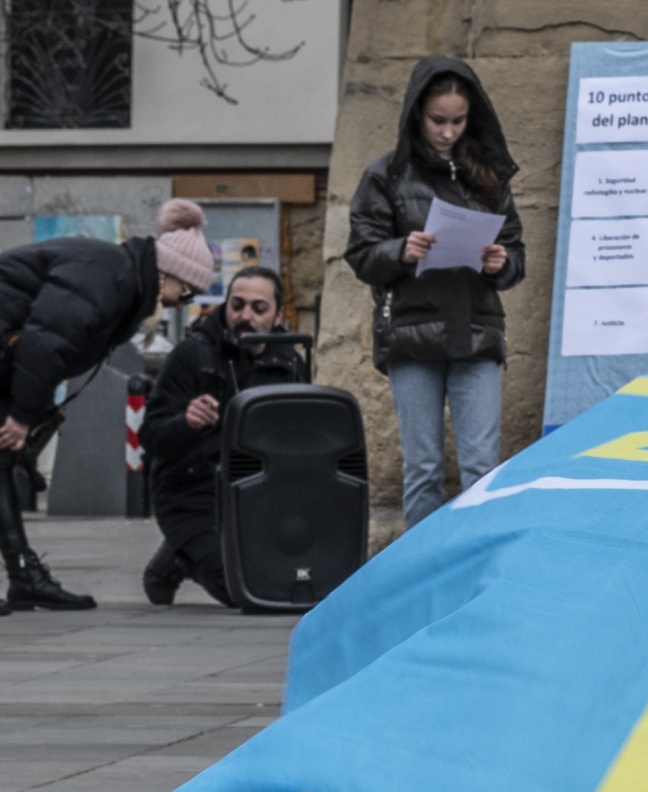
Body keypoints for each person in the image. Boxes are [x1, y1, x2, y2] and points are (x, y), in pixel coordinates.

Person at [0, 198, 214, 611]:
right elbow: (46, 343)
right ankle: (25, 576)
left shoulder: (121, 279)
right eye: (186, 292)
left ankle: (25, 576)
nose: (182, 303)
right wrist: (23, 417)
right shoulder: (107, 274)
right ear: (169, 273)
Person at [346, 57, 525, 531]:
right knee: (423, 468)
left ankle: (475, 561)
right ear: (416, 114)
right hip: (411, 332)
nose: (447, 132)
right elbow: (361, 254)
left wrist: (502, 263)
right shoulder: (385, 175)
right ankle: (422, 567)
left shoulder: (488, 173)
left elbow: (516, 253)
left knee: (482, 468)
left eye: (458, 121)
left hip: (476, 331)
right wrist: (400, 250)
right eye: (437, 120)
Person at [139, 266, 307, 607]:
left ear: (278, 316)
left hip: (259, 498)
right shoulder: (193, 354)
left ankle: (183, 553)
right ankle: (179, 556)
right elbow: (150, 437)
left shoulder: (289, 364)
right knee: (243, 590)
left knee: (292, 579)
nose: (245, 316)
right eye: (237, 305)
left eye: (259, 308)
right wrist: (186, 422)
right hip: (193, 493)